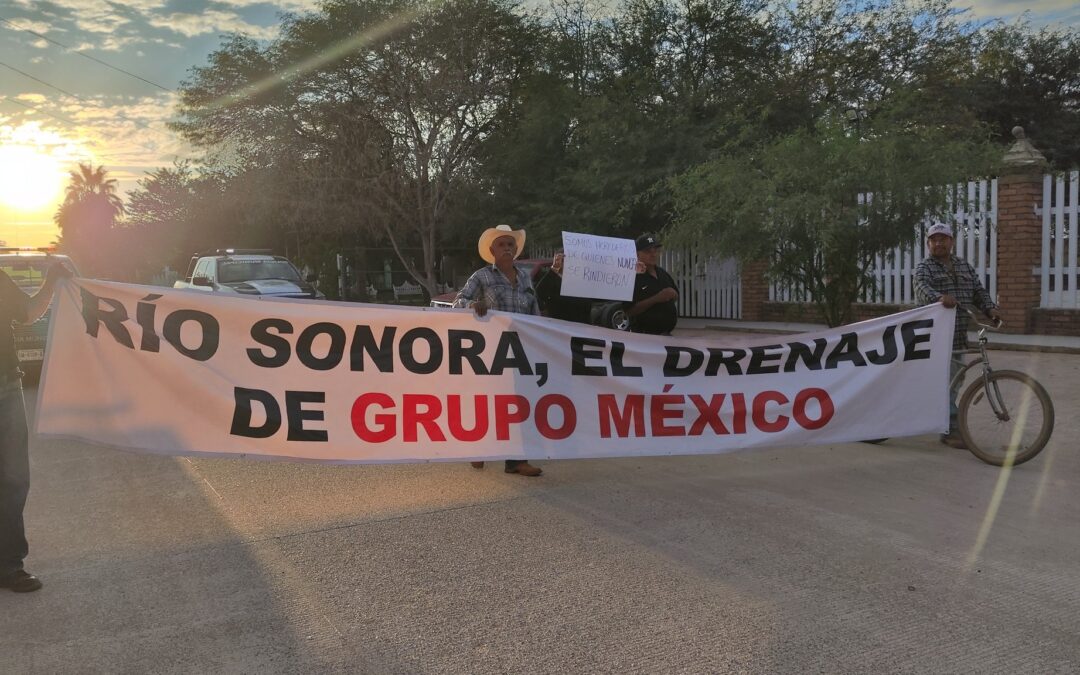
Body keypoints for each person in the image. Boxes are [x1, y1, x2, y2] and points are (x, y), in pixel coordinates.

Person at [1, 260, 72, 593]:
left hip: (5, 388)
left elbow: (27, 312)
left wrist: (51, 281)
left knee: (14, 480)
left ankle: (10, 566)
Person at [453, 224, 543, 477]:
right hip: (489, 350)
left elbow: (534, 311)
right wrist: (472, 304)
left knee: (516, 403)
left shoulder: (525, 278)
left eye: (510, 244)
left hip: (519, 348)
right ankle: (480, 449)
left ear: (515, 249)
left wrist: (540, 336)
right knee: (488, 401)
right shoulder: (481, 277)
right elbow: (457, 302)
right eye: (502, 245)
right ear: (492, 250)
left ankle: (515, 460)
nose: (507, 248)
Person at [914, 221, 1001, 450]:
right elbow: (922, 289)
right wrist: (939, 297)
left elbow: (978, 291)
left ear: (951, 241)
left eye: (943, 238)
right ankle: (950, 429)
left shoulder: (964, 267)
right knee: (947, 385)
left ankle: (939, 419)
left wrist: (989, 308)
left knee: (954, 381)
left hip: (959, 337)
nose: (938, 243)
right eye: (934, 239)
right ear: (928, 244)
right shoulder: (925, 267)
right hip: (935, 337)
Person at [628, 233, 678, 335]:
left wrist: (673, 294)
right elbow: (629, 311)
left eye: (655, 251)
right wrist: (656, 298)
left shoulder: (663, 274)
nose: (653, 254)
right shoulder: (633, 277)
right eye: (648, 251)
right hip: (644, 336)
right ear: (638, 254)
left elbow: (675, 295)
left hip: (666, 335)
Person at [534, 252, 593, 324]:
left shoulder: (583, 283)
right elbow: (540, 291)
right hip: (560, 329)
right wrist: (554, 268)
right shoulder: (553, 281)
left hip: (582, 329)